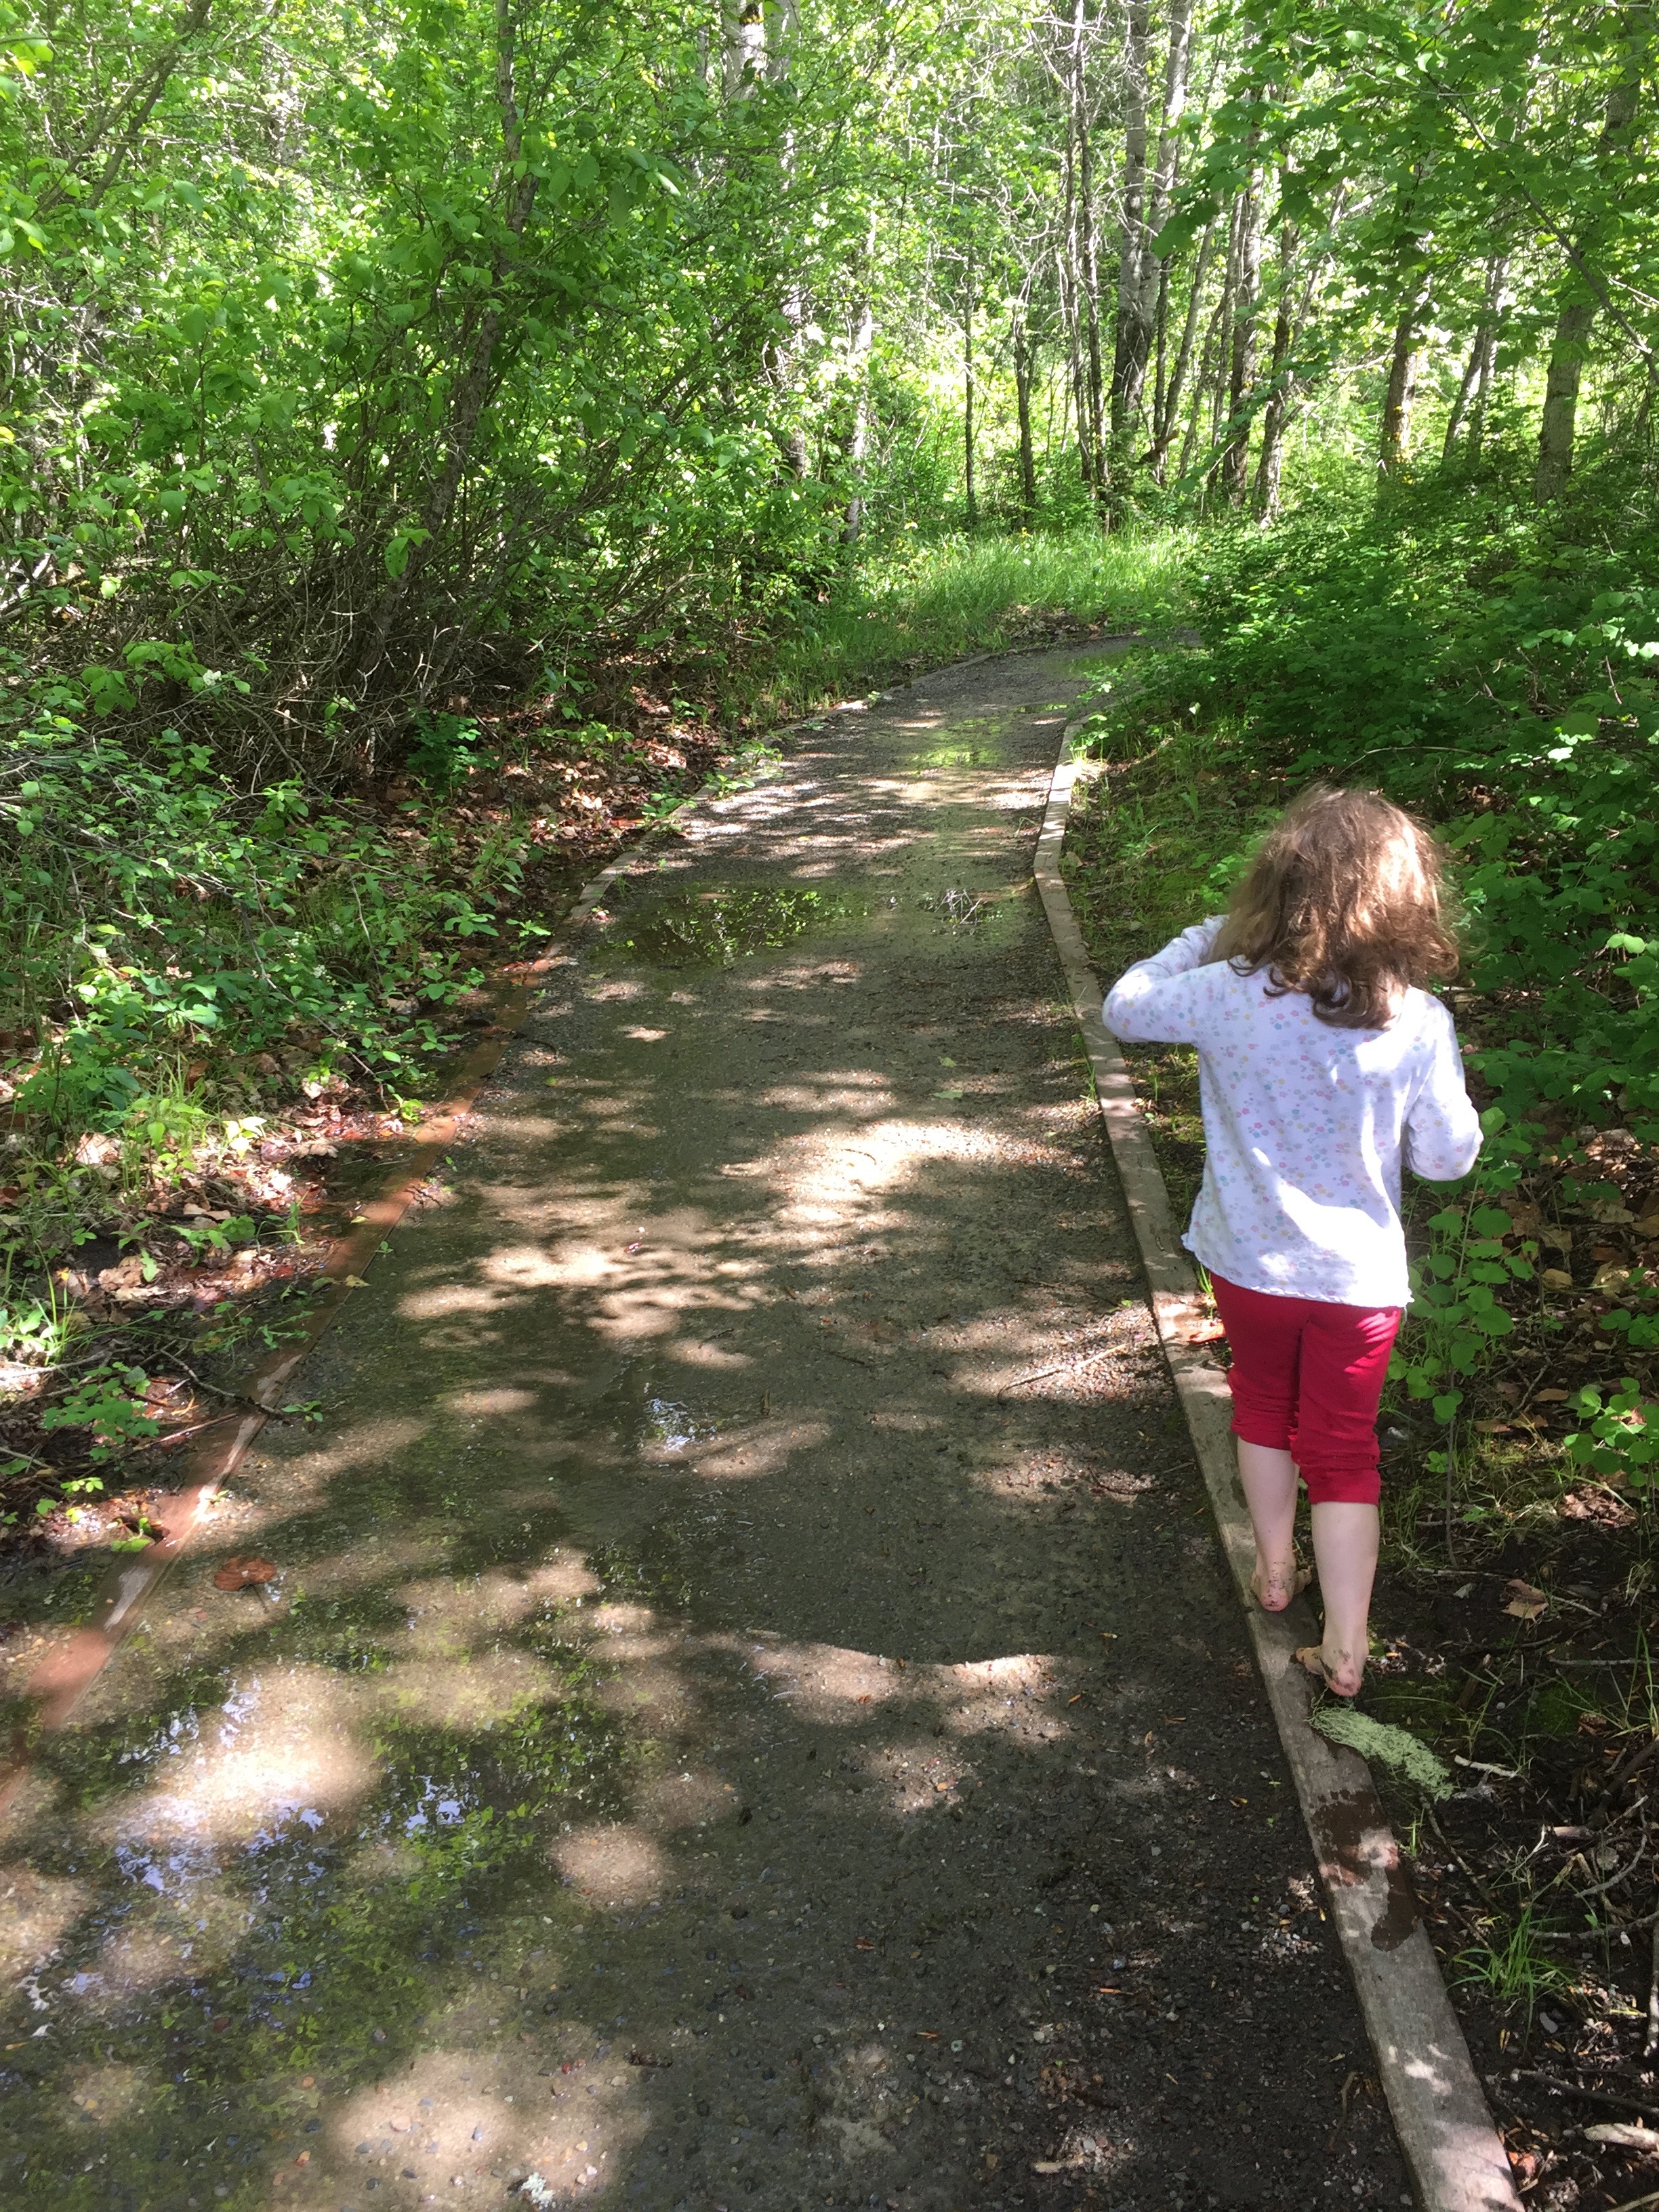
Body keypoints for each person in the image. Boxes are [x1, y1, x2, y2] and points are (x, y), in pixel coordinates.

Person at [1103, 785, 1483, 1696]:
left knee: (1261, 1404)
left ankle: (1275, 1573)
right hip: (1358, 1284)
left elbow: (1124, 1007)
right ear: (1405, 900)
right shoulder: (1419, 1021)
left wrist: (1203, 938)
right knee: (1345, 1450)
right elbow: (1446, 1161)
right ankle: (1347, 1645)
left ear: (1274, 890)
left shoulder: (1227, 994)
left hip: (1249, 1263)